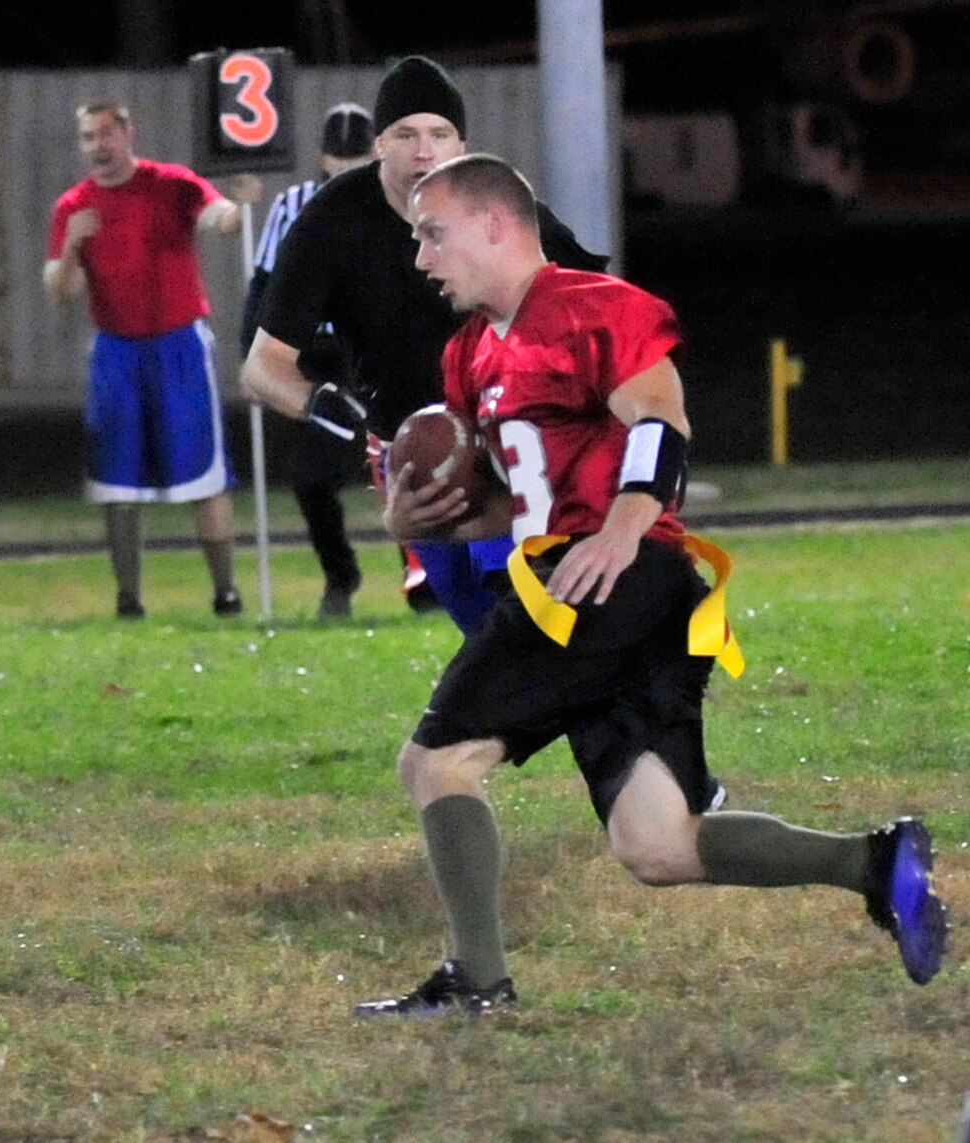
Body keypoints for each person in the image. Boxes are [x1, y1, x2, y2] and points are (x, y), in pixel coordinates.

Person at [357, 153, 946, 1016]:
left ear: (495, 223)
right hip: (608, 582)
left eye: (432, 235)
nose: (422, 260)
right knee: (658, 843)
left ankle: (476, 981)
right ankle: (872, 861)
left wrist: (626, 524)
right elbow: (517, 504)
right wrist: (420, 520)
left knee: (437, 762)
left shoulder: (593, 306)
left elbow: (660, 416)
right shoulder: (471, 355)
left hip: (604, 578)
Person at [241, 56, 607, 633]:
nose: (424, 152)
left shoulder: (500, 208)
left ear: (461, 146)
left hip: (505, 435)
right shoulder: (331, 221)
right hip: (411, 449)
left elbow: (603, 305)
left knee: (517, 608)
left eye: (439, 135)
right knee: (475, 622)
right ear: (378, 143)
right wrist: (322, 405)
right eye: (406, 135)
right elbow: (262, 365)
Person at [44, 100, 257, 620]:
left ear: (127, 134)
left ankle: (225, 593)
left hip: (178, 345)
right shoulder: (73, 207)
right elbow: (58, 291)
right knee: (117, 480)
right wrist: (72, 247)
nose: (98, 145)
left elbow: (220, 219)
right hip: (116, 351)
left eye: (106, 134)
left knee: (203, 471)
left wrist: (242, 204)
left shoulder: (171, 184)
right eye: (88, 137)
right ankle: (128, 598)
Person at [238, 102, 375, 620]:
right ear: (321, 156)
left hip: (376, 351)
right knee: (311, 478)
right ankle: (339, 575)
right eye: (337, 157)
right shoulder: (293, 204)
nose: (344, 168)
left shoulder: (400, 202)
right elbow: (264, 285)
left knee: (411, 462)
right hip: (315, 356)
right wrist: (252, 357)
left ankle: (424, 576)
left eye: (355, 156)